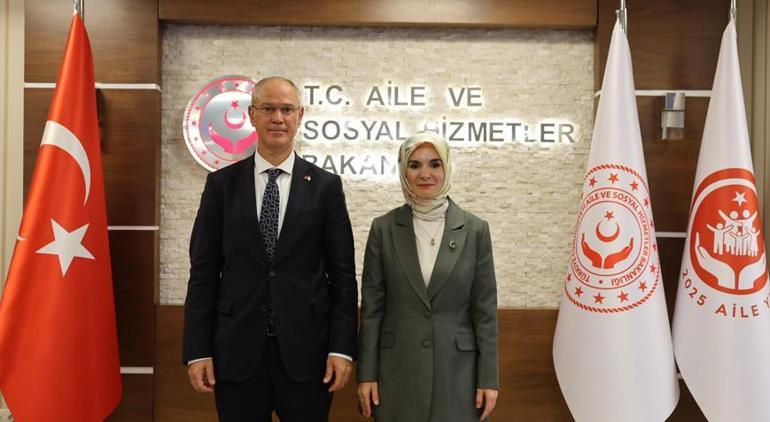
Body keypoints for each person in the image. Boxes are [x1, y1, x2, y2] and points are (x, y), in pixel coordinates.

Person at [182, 76, 358, 421]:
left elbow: (343, 276)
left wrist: (342, 348)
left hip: (308, 354)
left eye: (287, 109)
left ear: (300, 116)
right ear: (251, 115)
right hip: (236, 352)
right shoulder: (221, 186)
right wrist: (197, 350)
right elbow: (203, 273)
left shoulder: (326, 187)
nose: (278, 118)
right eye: (268, 108)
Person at [357, 131, 499, 421]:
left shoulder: (475, 230)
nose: (425, 173)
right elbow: (372, 310)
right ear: (403, 171)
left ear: (447, 168)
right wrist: (366, 374)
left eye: (435, 164)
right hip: (396, 371)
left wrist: (489, 378)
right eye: (415, 165)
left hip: (458, 373)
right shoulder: (383, 228)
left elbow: (484, 311)